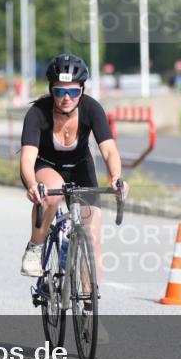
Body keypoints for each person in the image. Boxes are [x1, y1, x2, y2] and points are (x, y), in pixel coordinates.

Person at [19, 54, 129, 284]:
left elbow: (109, 150)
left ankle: (89, 302)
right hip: (46, 166)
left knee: (92, 235)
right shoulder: (37, 113)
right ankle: (36, 247)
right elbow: (27, 159)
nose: (66, 97)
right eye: (59, 91)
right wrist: (32, 185)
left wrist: (117, 178)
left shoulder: (91, 109)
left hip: (80, 167)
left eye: (73, 91)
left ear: (82, 90)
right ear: (51, 90)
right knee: (52, 191)